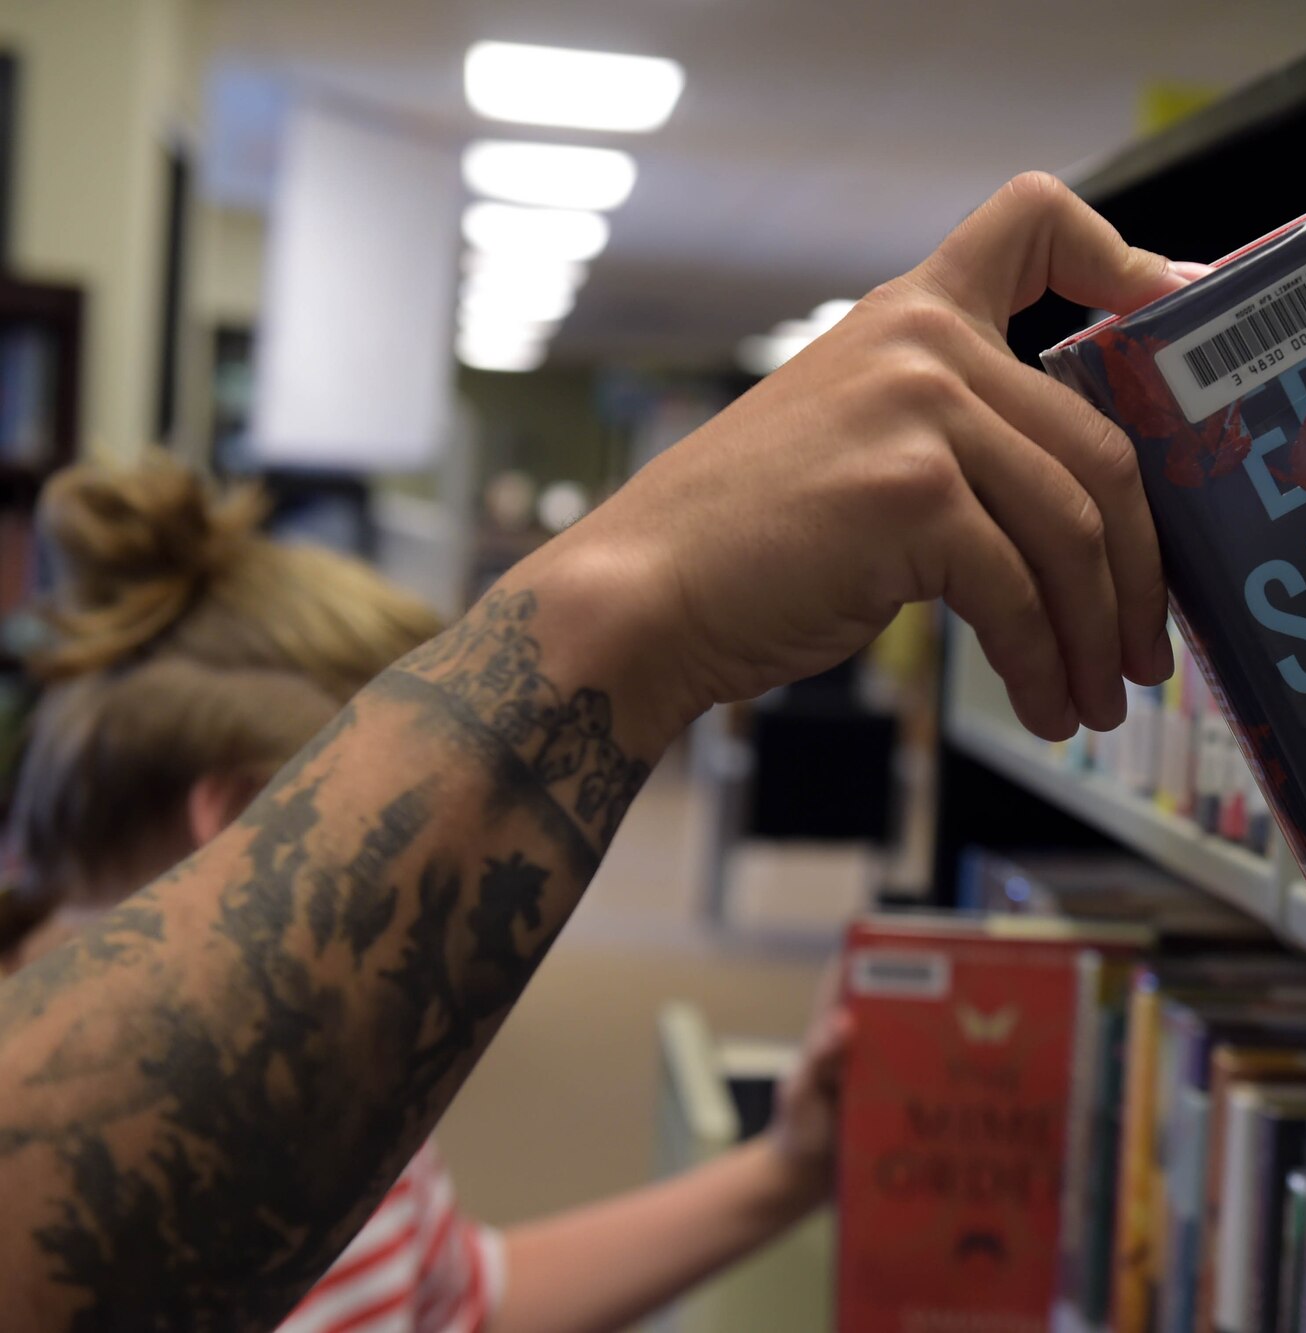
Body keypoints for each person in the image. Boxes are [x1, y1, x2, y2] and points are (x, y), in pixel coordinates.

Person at [0, 173, 1200, 1330]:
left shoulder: (304, 1097)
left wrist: (782, 1173)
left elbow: (454, 1298)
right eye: (457, 812)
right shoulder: (199, 1142)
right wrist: (632, 604)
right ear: (260, 817)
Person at [0, 459, 851, 1332]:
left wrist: (790, 1168)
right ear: (242, 824)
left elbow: (460, 1296)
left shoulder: (322, 1051)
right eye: (413, 847)